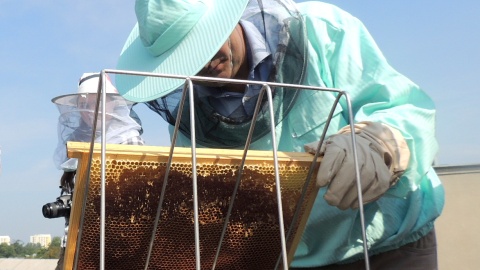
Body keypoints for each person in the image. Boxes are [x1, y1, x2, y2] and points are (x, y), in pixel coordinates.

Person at [115, 0, 445, 269]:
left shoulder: (322, 31)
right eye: (186, 59)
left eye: (203, 43)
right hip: (287, 260)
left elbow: (404, 108)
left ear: (226, 17)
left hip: (387, 248)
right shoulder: (189, 111)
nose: (202, 65)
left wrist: (377, 143)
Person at [50, 72, 144, 270]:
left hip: (117, 245)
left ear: (113, 104)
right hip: (75, 243)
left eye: (97, 102)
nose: (90, 110)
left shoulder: (129, 141)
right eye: (84, 104)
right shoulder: (76, 142)